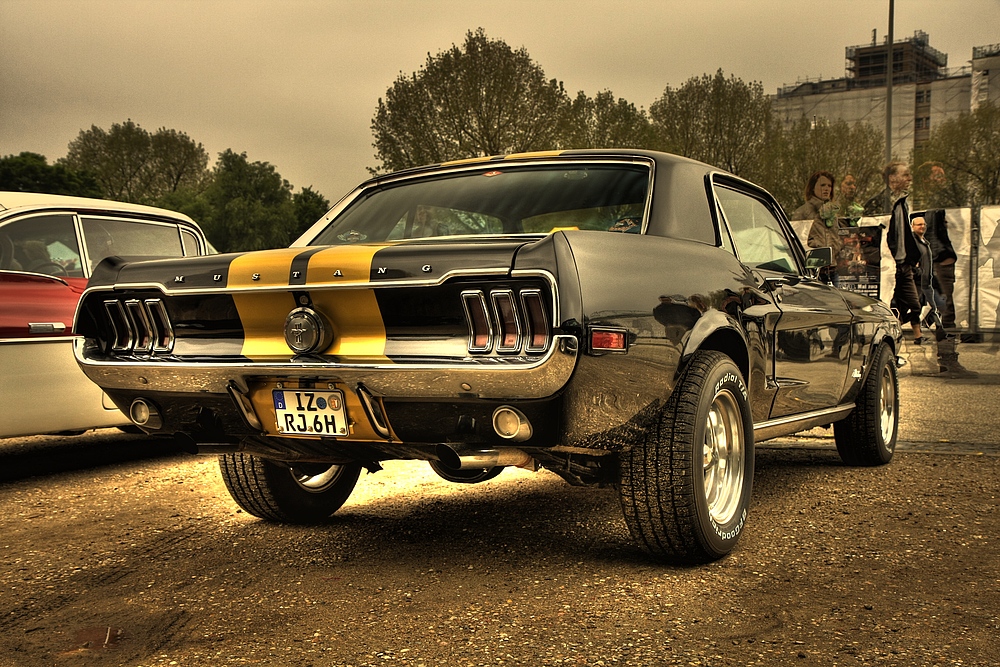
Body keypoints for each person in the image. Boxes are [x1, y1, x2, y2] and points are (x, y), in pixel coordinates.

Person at [913, 212, 977, 378]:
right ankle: (947, 362)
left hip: (938, 263)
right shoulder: (931, 205)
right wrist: (937, 259)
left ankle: (944, 361)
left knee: (936, 311)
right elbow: (929, 232)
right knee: (945, 312)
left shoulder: (933, 205)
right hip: (938, 264)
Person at [879, 161, 924, 344]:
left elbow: (906, 233)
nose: (909, 178)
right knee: (886, 303)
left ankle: (897, 328)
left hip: (903, 264)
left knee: (914, 304)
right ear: (892, 178)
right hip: (888, 264)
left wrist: (912, 258)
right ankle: (891, 336)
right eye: (905, 175)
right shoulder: (883, 202)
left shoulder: (903, 203)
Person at [791, 170, 840, 284]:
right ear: (813, 187)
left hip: (832, 268)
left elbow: (837, 237)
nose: (827, 188)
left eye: (829, 185)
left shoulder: (833, 212)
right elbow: (796, 241)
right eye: (823, 185)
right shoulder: (803, 212)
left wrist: (835, 248)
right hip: (813, 270)